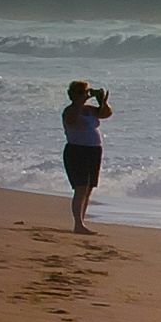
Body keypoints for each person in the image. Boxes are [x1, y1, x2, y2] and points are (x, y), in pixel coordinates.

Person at [58, 80, 108, 232]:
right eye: (81, 92)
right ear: (73, 95)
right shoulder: (70, 110)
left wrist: (102, 101)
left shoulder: (90, 110)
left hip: (94, 150)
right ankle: (78, 224)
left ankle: (81, 221)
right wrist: (80, 103)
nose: (85, 95)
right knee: (81, 187)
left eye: (86, 92)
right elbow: (72, 121)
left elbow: (106, 113)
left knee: (89, 188)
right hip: (76, 150)